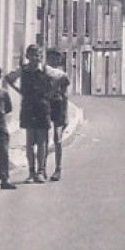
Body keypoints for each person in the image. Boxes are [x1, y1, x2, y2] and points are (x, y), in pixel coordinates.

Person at [6, 45, 51, 183]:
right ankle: (31, 172)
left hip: (42, 106)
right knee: (30, 141)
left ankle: (41, 171)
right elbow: (9, 78)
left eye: (37, 55)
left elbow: (60, 79)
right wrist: (20, 91)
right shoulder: (23, 70)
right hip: (28, 107)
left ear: (40, 57)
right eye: (32, 55)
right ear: (27, 56)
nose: (35, 58)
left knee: (42, 141)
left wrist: (50, 93)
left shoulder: (45, 70)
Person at [44, 49, 70, 181]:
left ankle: (58, 168)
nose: (55, 61)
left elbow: (65, 96)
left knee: (57, 139)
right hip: (45, 106)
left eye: (57, 58)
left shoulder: (63, 76)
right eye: (52, 58)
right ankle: (42, 169)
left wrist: (66, 115)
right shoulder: (43, 73)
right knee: (43, 138)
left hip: (58, 106)